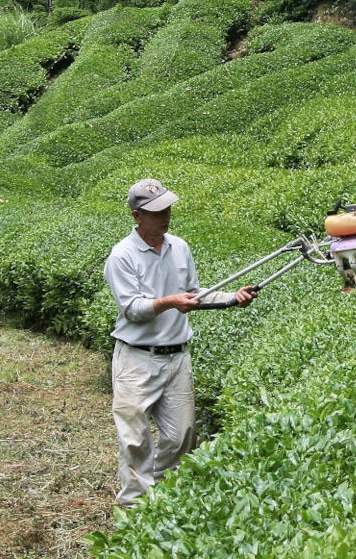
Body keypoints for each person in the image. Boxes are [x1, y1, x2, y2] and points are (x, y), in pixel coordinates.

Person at [103, 178, 257, 507]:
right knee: (134, 440)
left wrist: (233, 297)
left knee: (181, 436)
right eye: (156, 211)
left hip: (177, 357)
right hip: (137, 360)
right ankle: (134, 508)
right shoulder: (122, 256)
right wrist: (169, 302)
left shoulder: (180, 247)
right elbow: (132, 310)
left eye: (167, 208)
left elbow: (194, 296)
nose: (165, 216)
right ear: (136, 216)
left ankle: (163, 498)